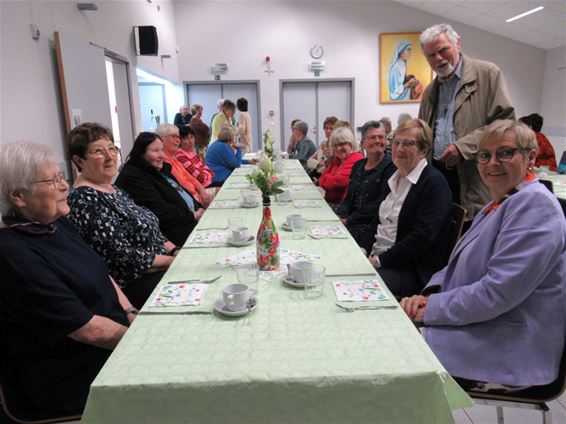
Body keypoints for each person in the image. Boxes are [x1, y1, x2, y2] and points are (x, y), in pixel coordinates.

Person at [400, 120, 566, 393]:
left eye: (505, 153)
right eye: (484, 156)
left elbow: (497, 293)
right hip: (483, 324)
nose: (492, 164)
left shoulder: (536, 206)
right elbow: (455, 268)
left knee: (393, 354)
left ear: (531, 157)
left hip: (509, 349)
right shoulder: (503, 200)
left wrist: (431, 310)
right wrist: (429, 298)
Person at [0, 142, 134, 414]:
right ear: (17, 196)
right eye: (53, 181)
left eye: (62, 176)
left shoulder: (52, 222)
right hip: (73, 374)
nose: (65, 186)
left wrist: (131, 312)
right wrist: (142, 342)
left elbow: (101, 271)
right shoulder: (12, 256)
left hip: (112, 340)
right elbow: (90, 331)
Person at [67, 123, 177, 308]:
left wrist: (175, 250)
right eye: (99, 152)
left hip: (160, 266)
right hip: (135, 283)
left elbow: (151, 228)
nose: (110, 157)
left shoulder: (114, 189)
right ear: (79, 160)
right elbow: (122, 255)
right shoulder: (84, 199)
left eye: (112, 148)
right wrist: (174, 261)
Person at [418, 23, 515, 225]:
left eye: (443, 50)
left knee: (471, 232)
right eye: (431, 55)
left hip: (473, 175)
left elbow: (504, 123)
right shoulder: (430, 91)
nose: (438, 58)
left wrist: (462, 147)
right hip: (438, 175)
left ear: (458, 43)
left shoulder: (487, 74)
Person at [363, 119, 452, 298]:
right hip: (381, 257)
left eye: (408, 143)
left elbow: (421, 238)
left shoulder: (433, 183)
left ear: (424, 151)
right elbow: (377, 220)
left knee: (357, 285)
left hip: (410, 270)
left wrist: (378, 261)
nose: (399, 148)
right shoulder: (396, 176)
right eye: (396, 142)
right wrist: (363, 250)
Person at [115, 132, 204, 246]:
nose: (161, 155)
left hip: (189, 221)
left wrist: (199, 207)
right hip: (172, 235)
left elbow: (181, 191)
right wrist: (193, 215)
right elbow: (161, 211)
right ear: (141, 153)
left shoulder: (158, 169)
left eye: (162, 150)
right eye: (155, 151)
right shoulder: (133, 176)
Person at [339, 121, 396, 244]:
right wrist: (340, 215)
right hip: (349, 220)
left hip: (370, 226)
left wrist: (348, 220)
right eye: (372, 137)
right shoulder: (358, 166)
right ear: (362, 144)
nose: (377, 141)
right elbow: (349, 197)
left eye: (381, 137)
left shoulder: (392, 167)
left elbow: (381, 203)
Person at [155, 124, 213, 207]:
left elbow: (190, 177)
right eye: (174, 137)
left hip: (196, 194)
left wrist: (202, 191)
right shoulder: (164, 162)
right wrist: (199, 196)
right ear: (162, 140)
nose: (178, 140)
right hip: (190, 200)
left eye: (178, 137)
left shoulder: (174, 158)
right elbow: (183, 186)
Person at [316, 127, 364, 208]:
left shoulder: (356, 159)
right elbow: (322, 180)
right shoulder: (338, 159)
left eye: (342, 144)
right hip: (330, 201)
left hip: (341, 207)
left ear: (351, 143)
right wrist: (329, 178)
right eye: (335, 145)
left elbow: (334, 183)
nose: (338, 148)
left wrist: (328, 177)